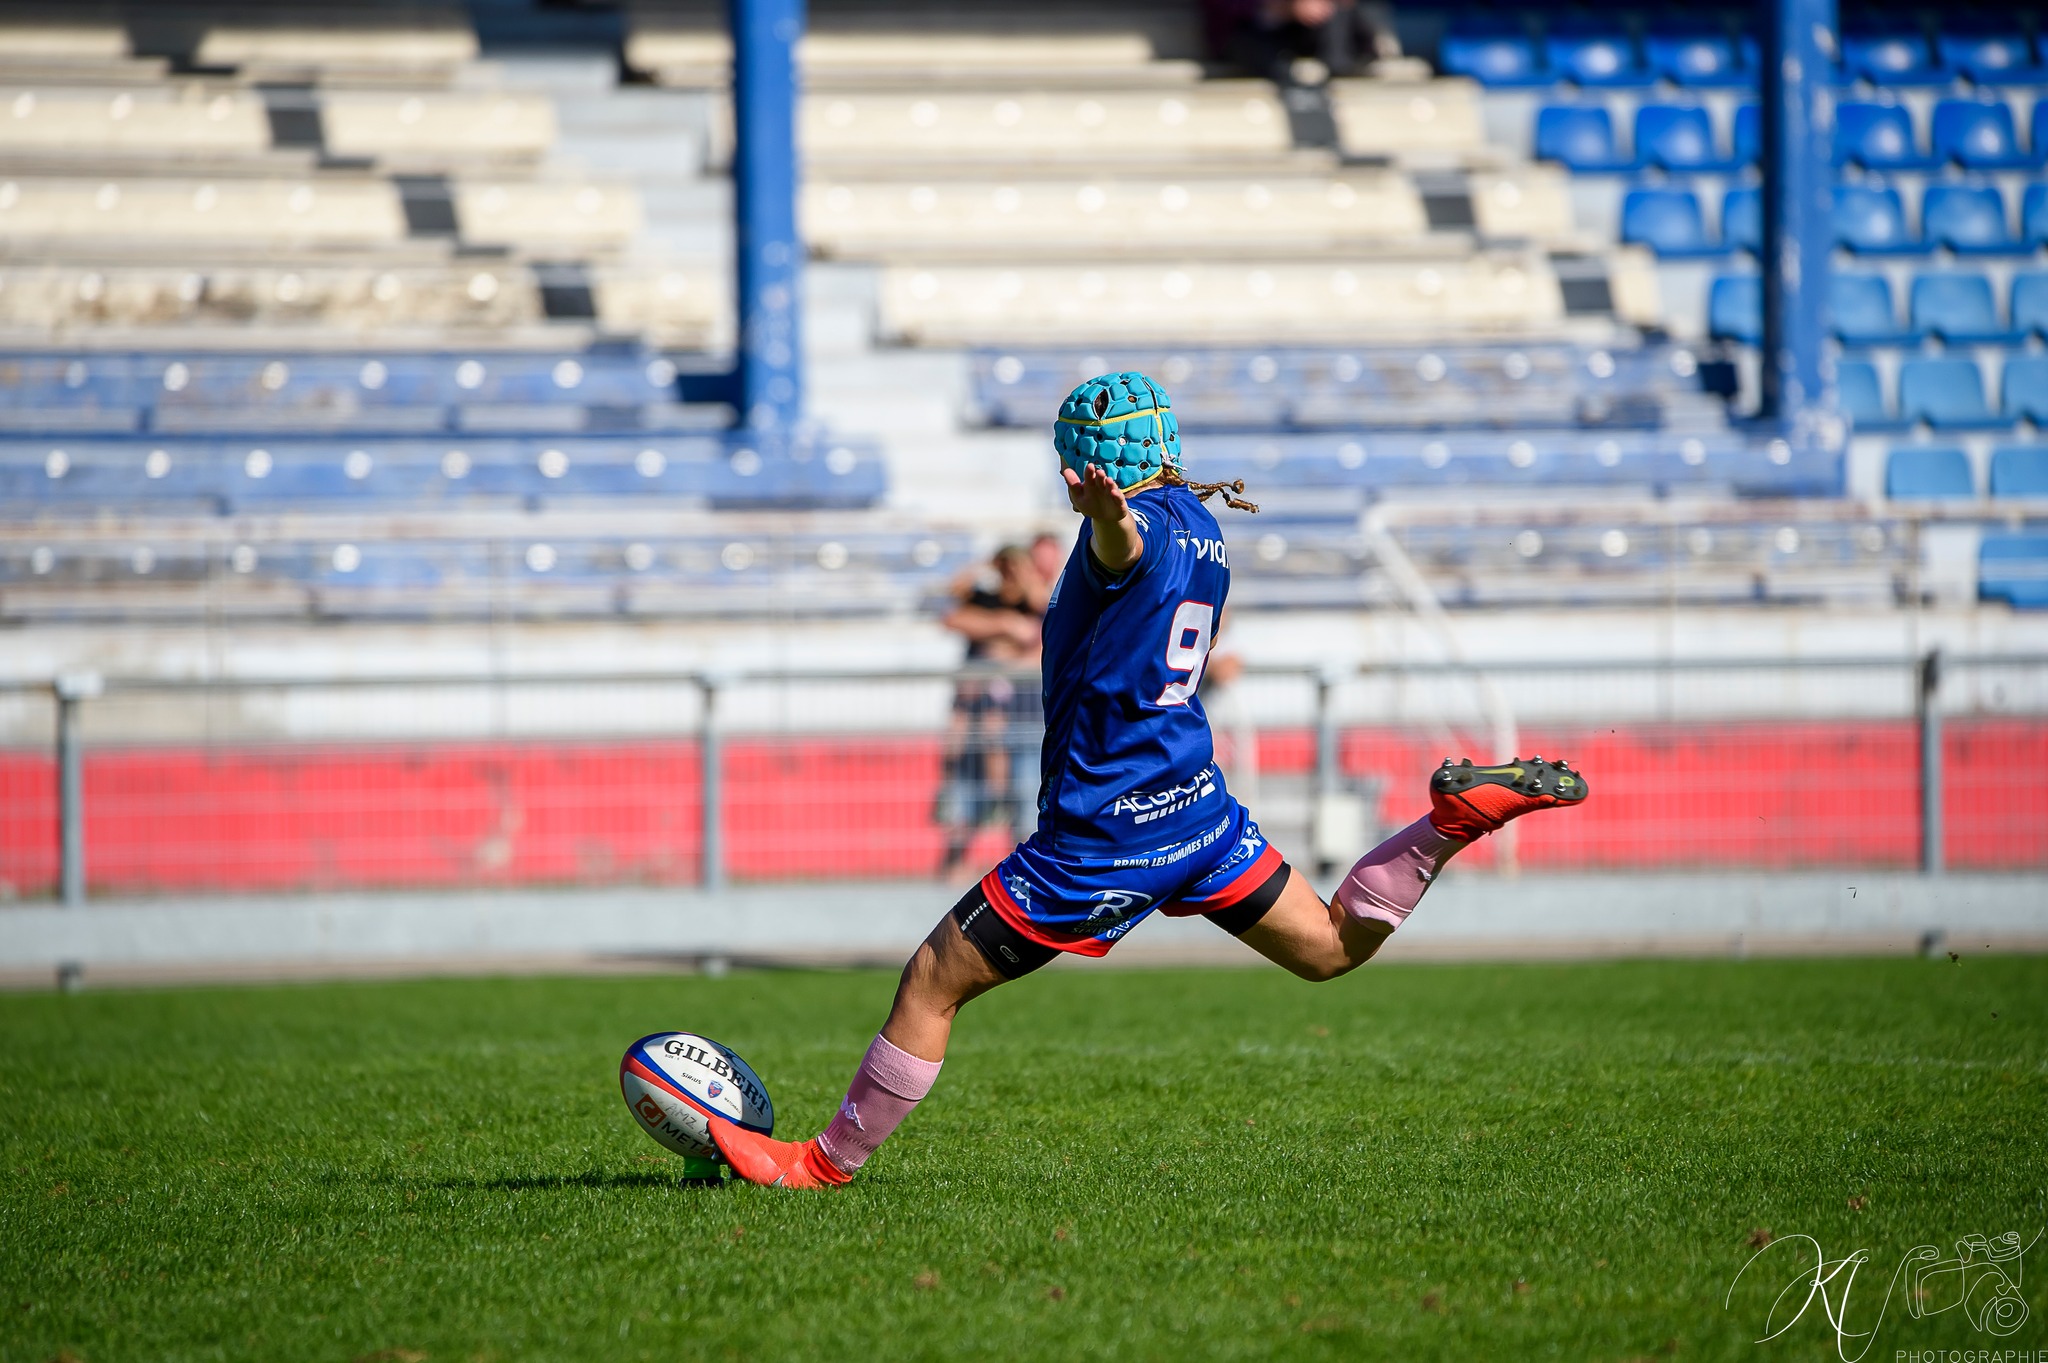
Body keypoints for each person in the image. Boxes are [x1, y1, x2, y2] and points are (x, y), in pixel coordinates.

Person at [702, 372, 1588, 1188]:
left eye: (1071, 458)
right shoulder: (1206, 526)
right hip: (1195, 808)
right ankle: (1451, 822)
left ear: (1094, 464)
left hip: (1104, 831)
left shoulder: (1129, 529)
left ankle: (821, 1165)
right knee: (1328, 948)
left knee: (933, 979)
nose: (1064, 473)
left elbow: (1124, 549)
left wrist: (1106, 519)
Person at [935, 545, 1045, 875]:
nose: (1010, 575)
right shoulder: (985, 599)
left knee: (1024, 811)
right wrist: (1004, 623)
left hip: (1023, 722)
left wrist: (999, 659)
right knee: (964, 807)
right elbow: (950, 607)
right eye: (1006, 567)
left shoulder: (1041, 603)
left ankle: (1019, 880)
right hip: (977, 726)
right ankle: (953, 871)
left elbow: (1040, 635)